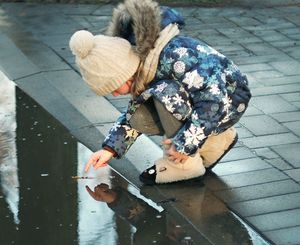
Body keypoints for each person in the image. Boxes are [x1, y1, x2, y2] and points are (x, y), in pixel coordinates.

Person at [69, 0, 251, 185]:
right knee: (143, 111)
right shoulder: (144, 65)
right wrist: (110, 149)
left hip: (230, 99)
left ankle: (183, 166)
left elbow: (213, 101)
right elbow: (135, 114)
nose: (115, 95)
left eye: (113, 88)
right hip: (212, 104)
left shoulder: (174, 58)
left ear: (123, 74)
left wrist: (184, 145)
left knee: (164, 94)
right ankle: (216, 142)